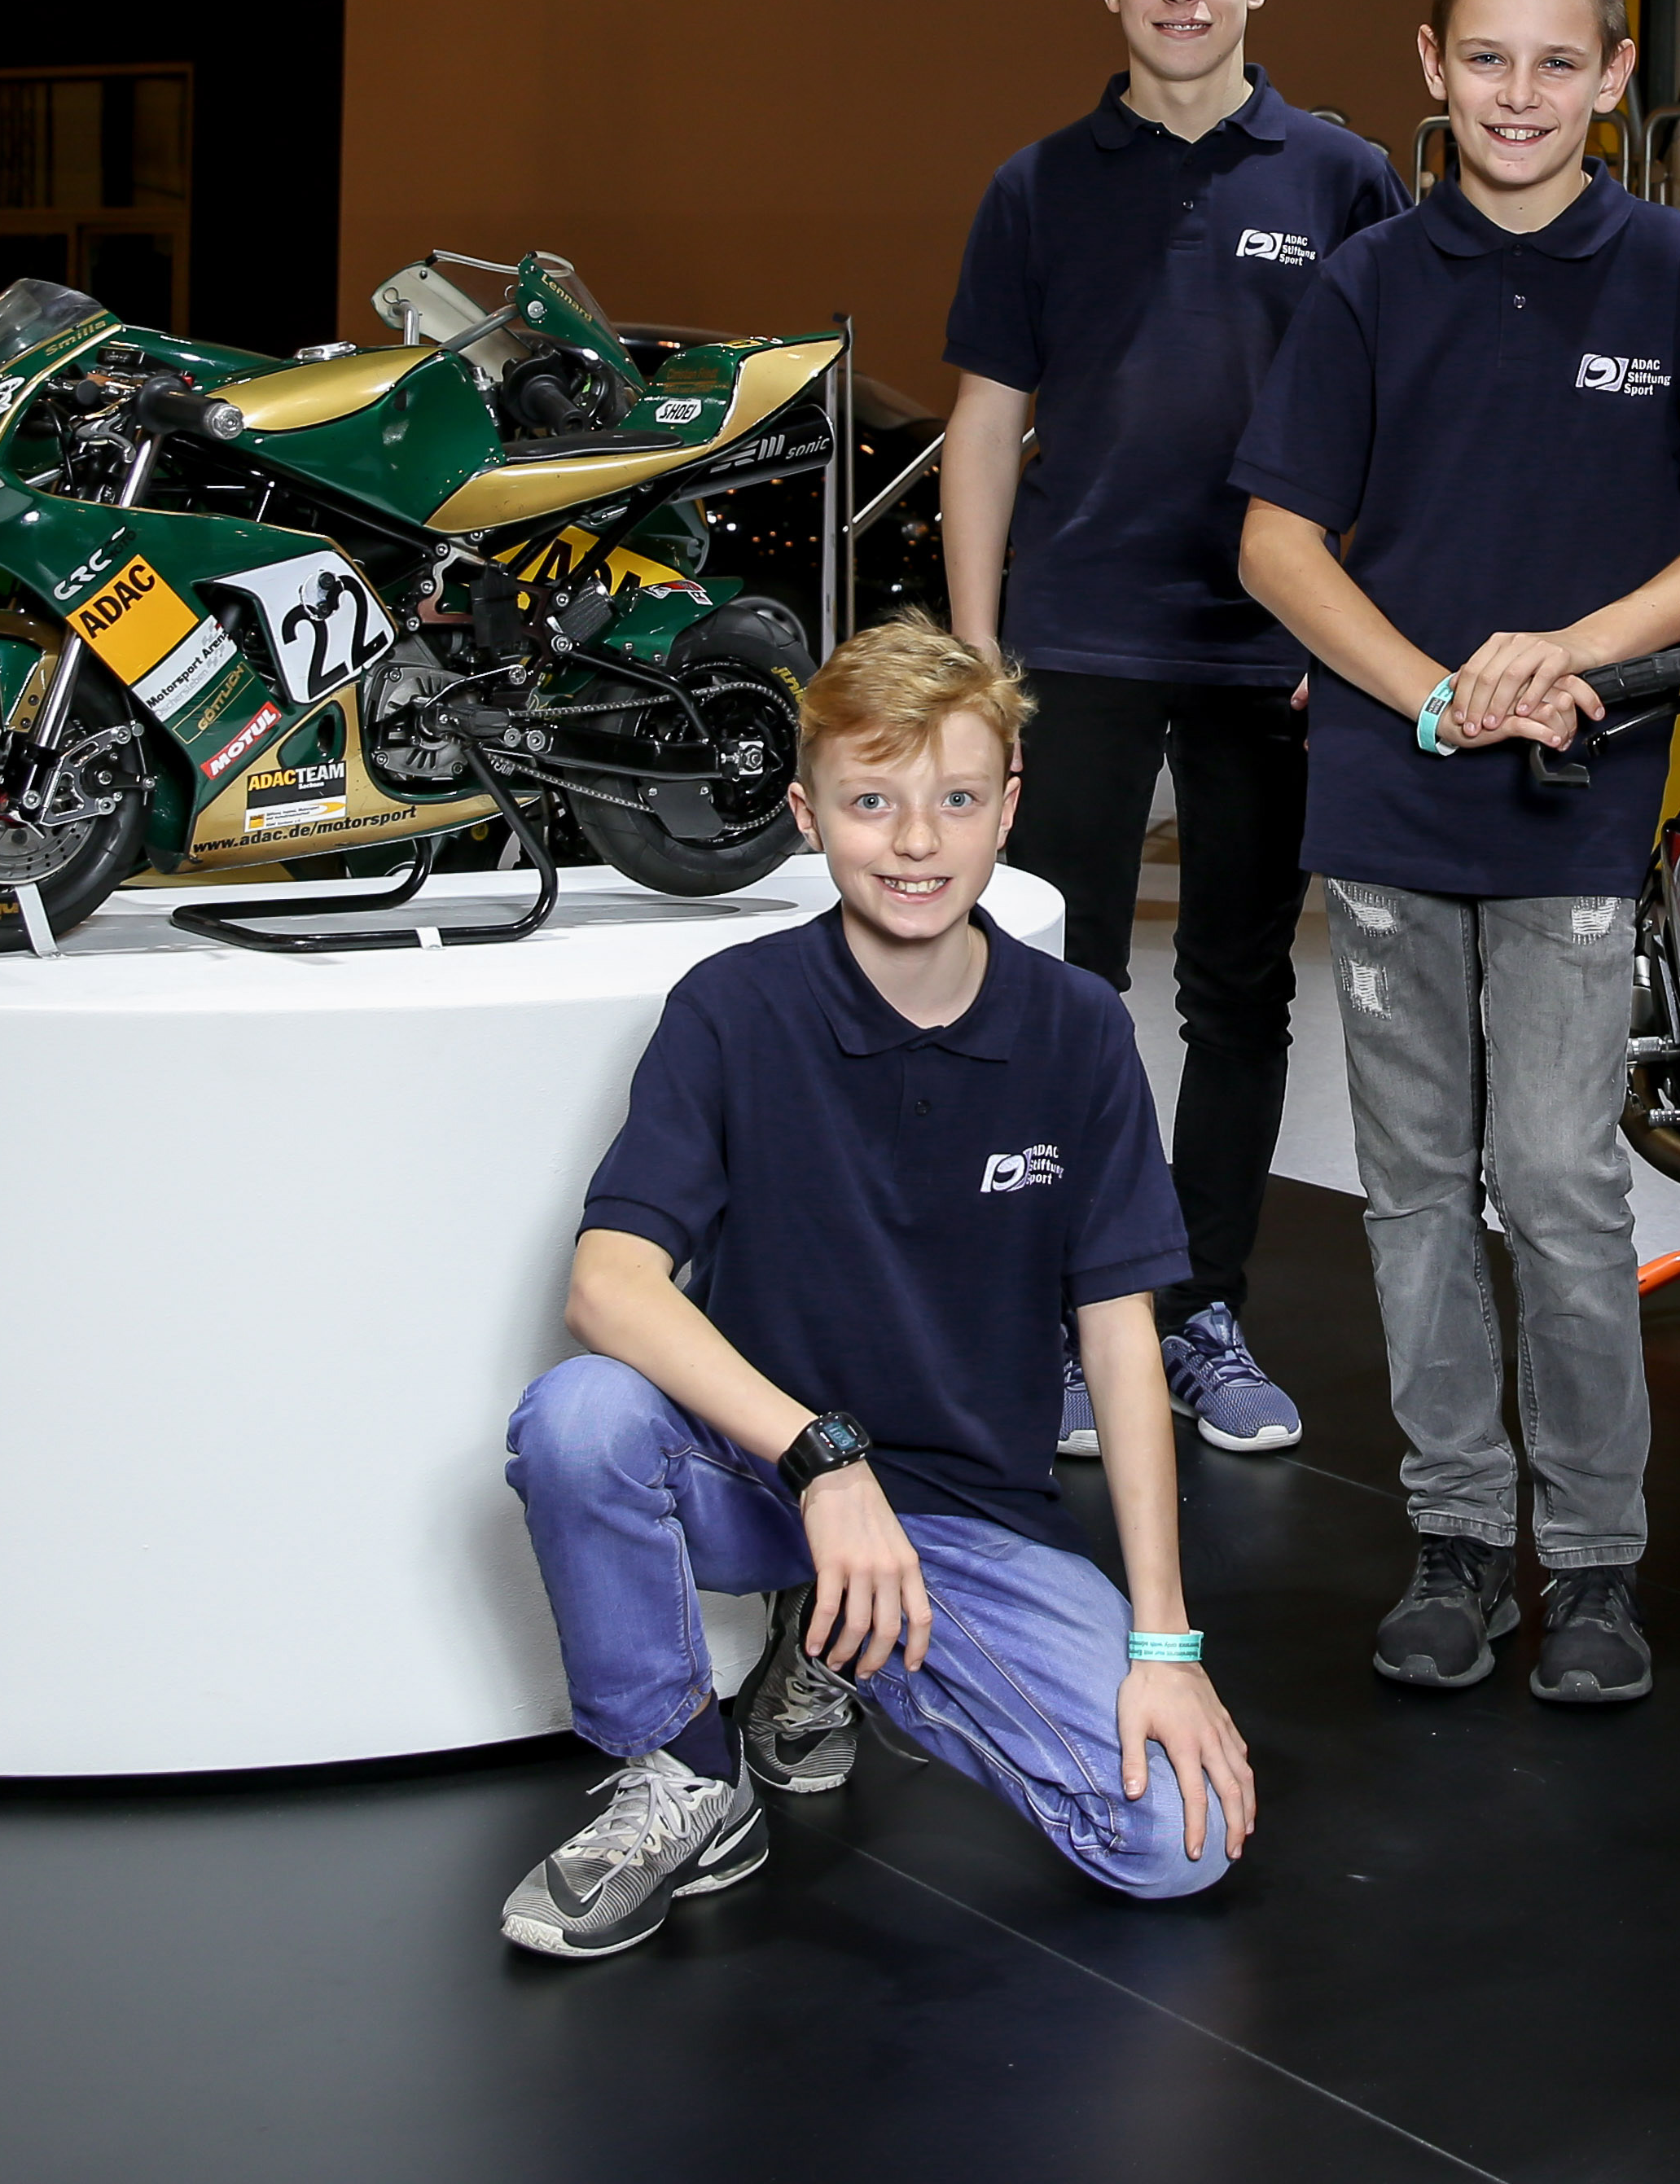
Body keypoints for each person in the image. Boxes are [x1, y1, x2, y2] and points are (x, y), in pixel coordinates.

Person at [1230, 0, 1680, 1706]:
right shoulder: (1366, 285)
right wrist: (1428, 689)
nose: (1520, 93)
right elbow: (1274, 542)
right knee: (1414, 1188)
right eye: (1486, 58)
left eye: (1560, 61)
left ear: (1616, 73)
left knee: (1556, 1178)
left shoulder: (1678, 276)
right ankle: (1460, 1537)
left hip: (1575, 792)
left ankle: (1599, 1556)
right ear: (1431, 64)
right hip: (1387, 805)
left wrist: (1570, 655)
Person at [496, 621, 1257, 1958]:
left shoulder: (1078, 1029)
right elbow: (609, 1287)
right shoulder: (731, 1009)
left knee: (1173, 1842)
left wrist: (1165, 1644)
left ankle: (833, 1647)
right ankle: (688, 1776)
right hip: (765, 1473)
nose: (915, 841)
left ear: (1008, 806)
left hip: (961, 1514)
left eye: (956, 800)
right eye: (871, 803)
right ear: (807, 816)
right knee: (580, 1417)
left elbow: (1122, 1342)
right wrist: (820, 1458)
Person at [941, 0, 1407, 1464]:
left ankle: (1198, 1310)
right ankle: (1077, 1314)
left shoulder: (1344, 181)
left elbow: (1392, 426)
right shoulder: (1035, 189)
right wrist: (978, 659)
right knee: (1062, 992)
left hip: (1269, 649)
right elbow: (983, 430)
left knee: (1237, 992)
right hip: (1072, 637)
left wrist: (1350, 628)